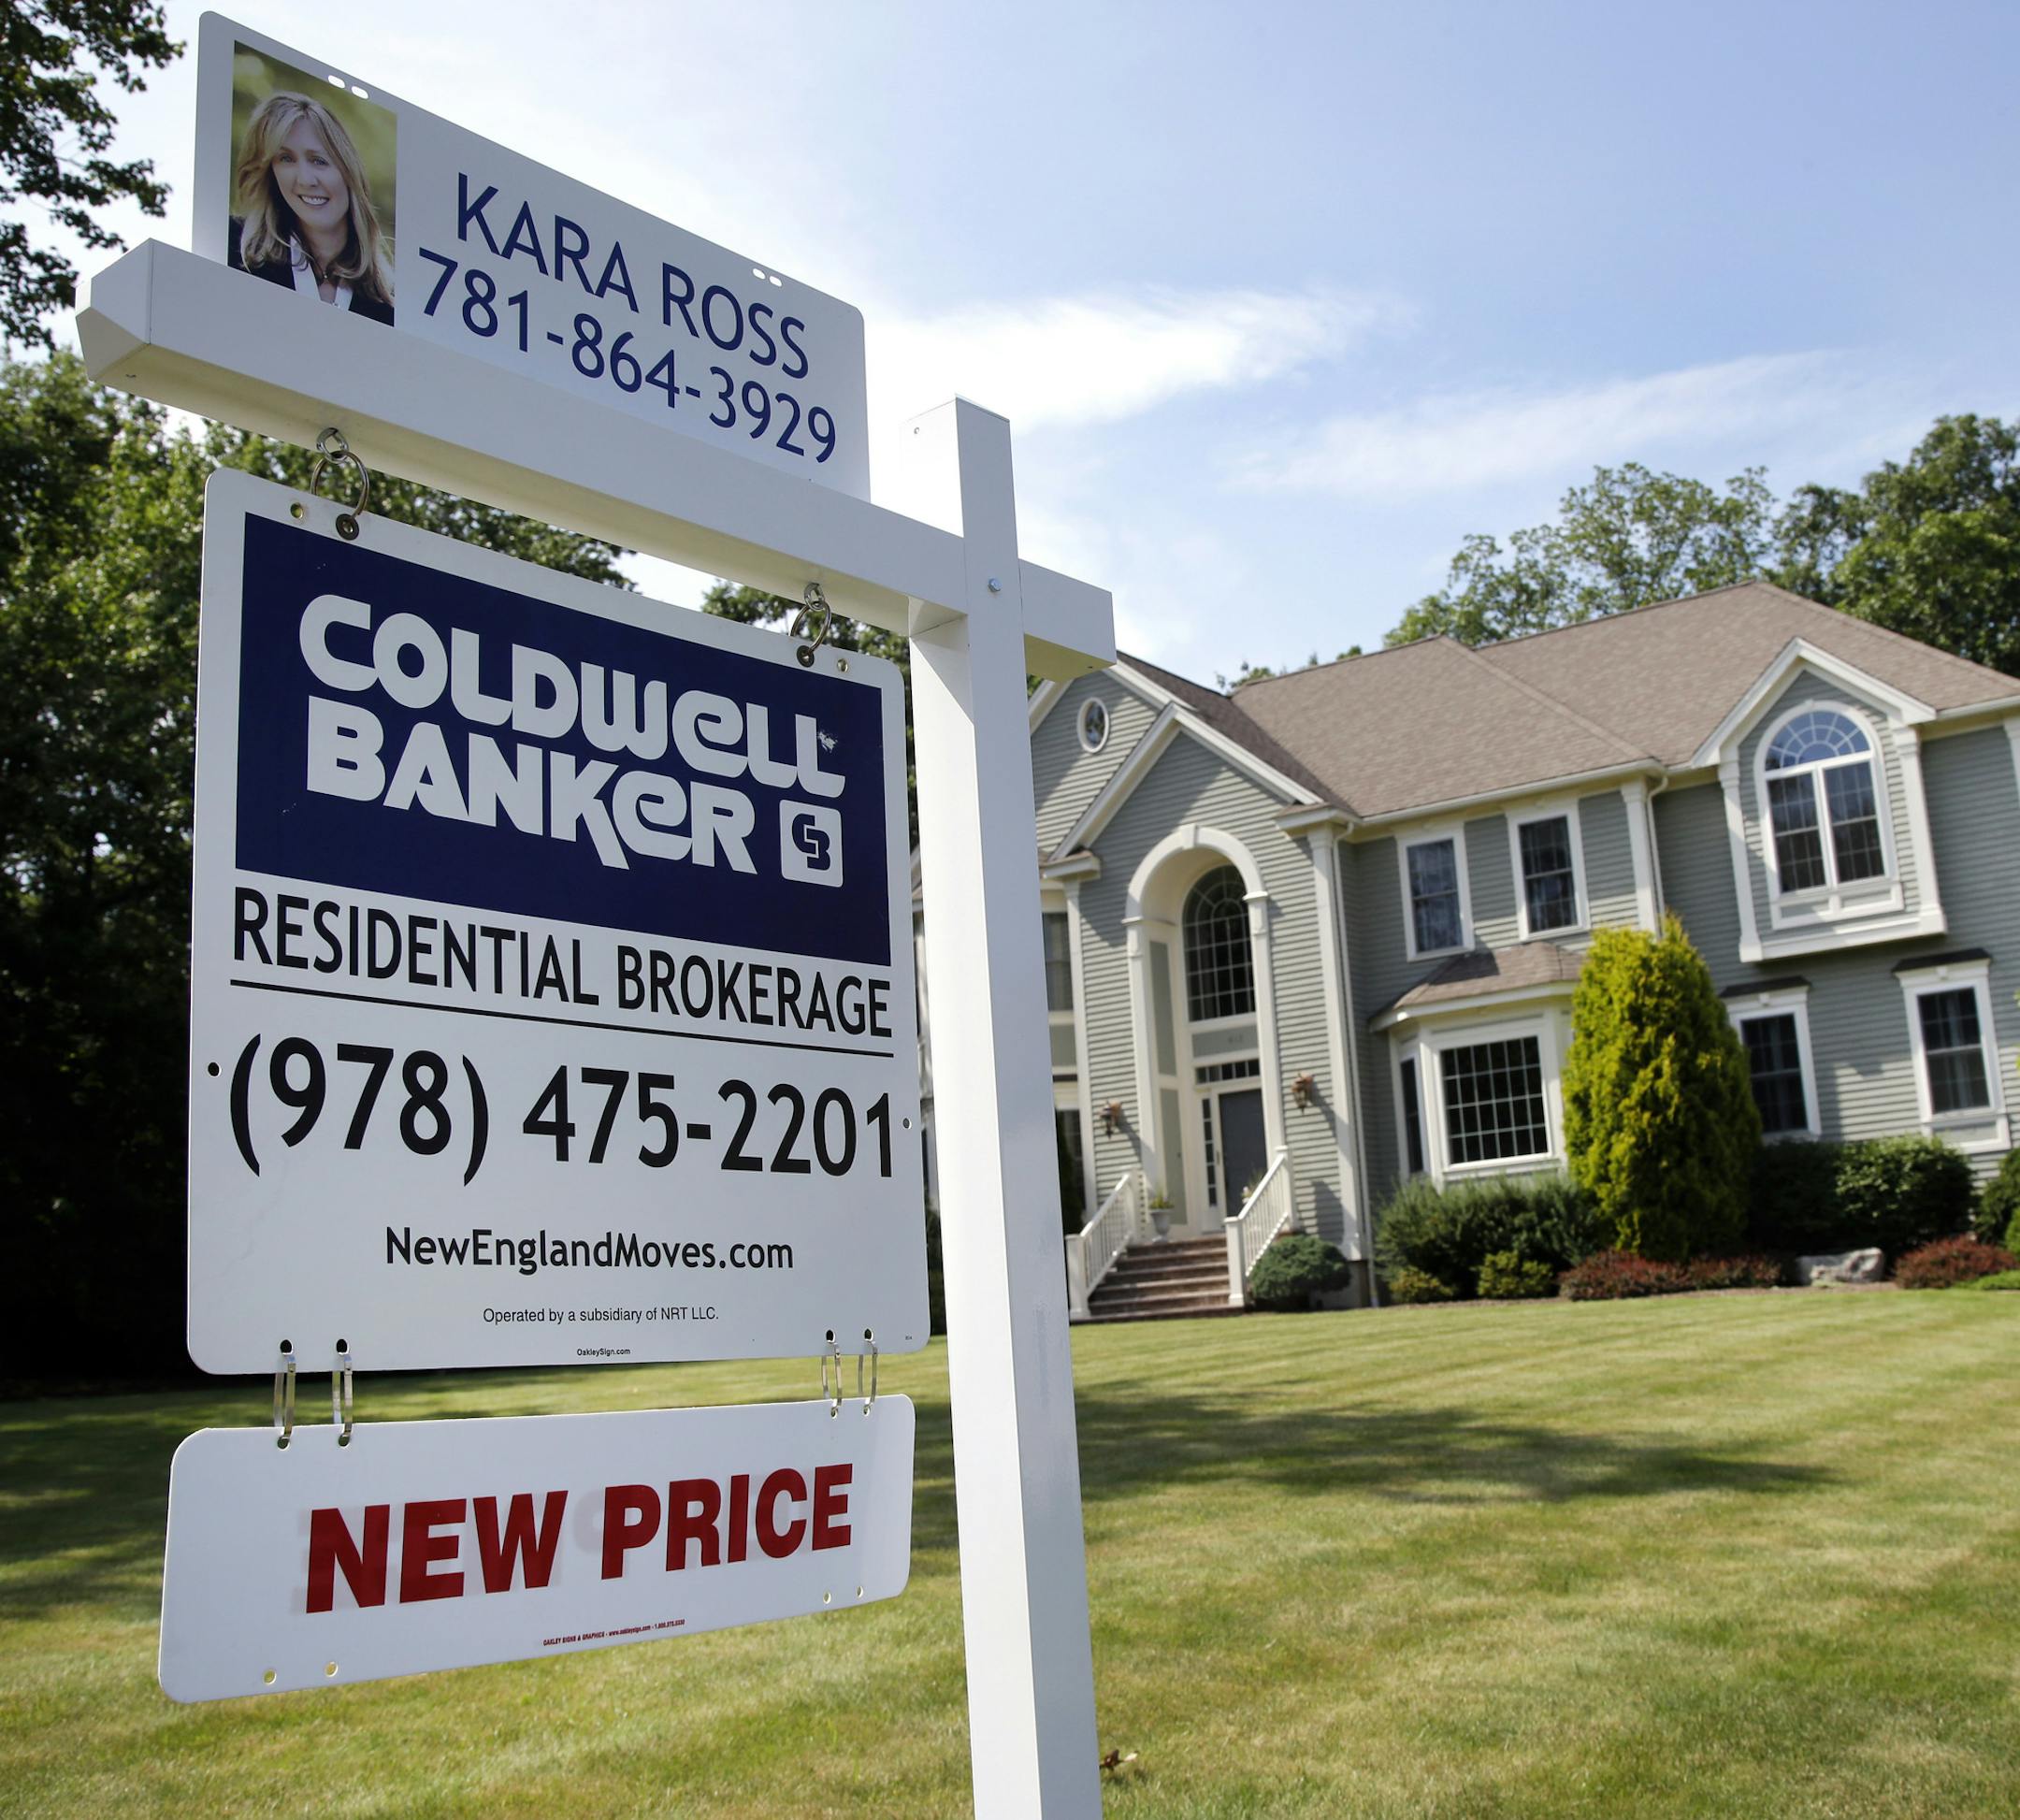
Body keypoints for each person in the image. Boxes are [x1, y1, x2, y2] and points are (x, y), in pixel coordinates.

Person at [229, 92, 395, 325]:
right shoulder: (233, 248)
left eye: (319, 161)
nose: (305, 180)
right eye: (286, 159)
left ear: (349, 171)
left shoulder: (389, 302)